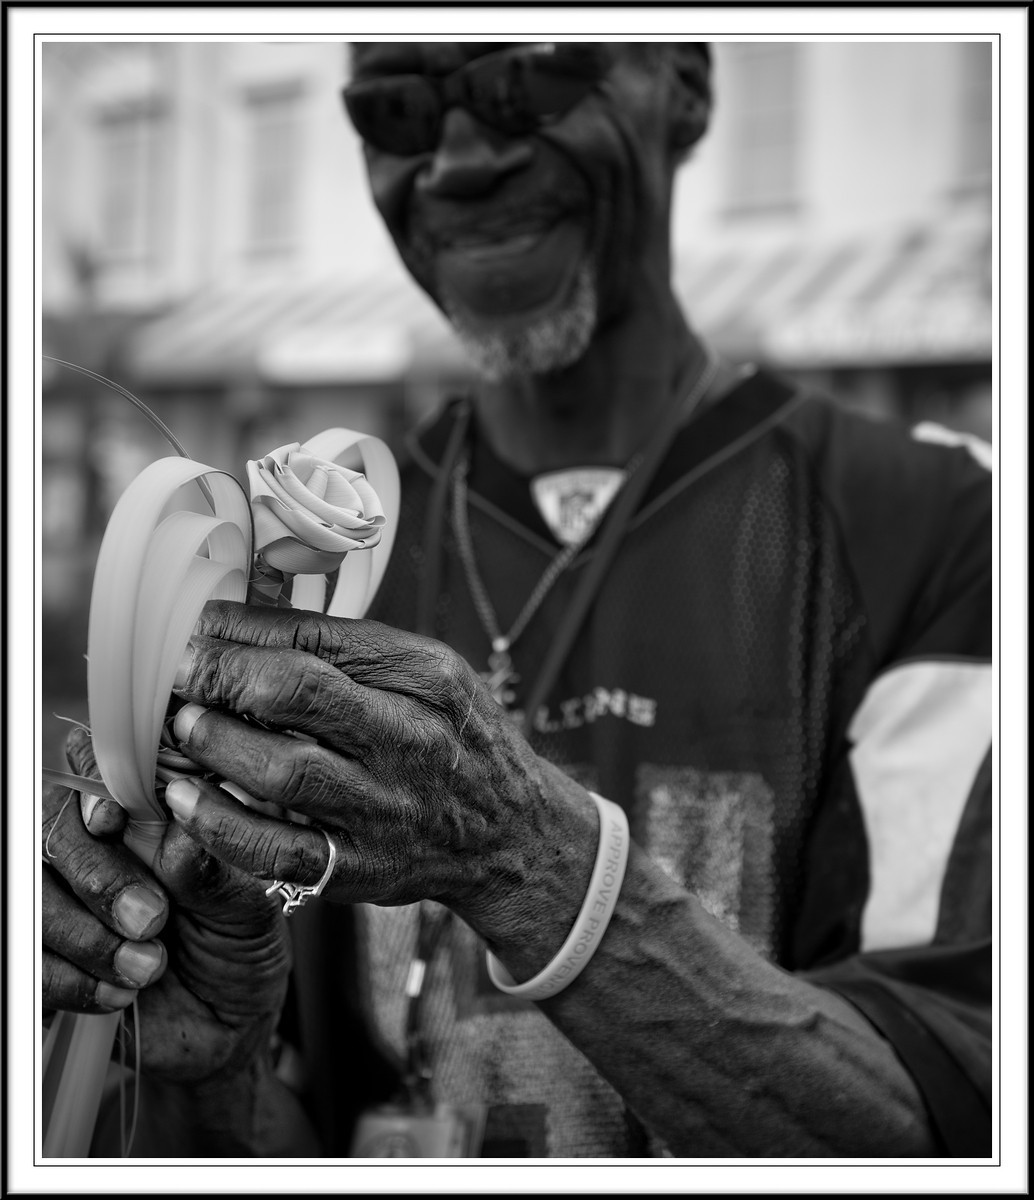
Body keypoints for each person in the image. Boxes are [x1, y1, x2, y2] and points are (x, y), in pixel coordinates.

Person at [42, 41, 991, 1158]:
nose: (455, 156)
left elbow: (954, 1119)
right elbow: (281, 1116)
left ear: (681, 87)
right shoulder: (320, 552)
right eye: (394, 106)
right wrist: (206, 1069)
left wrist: (528, 861)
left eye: (524, 76)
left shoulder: (935, 521)